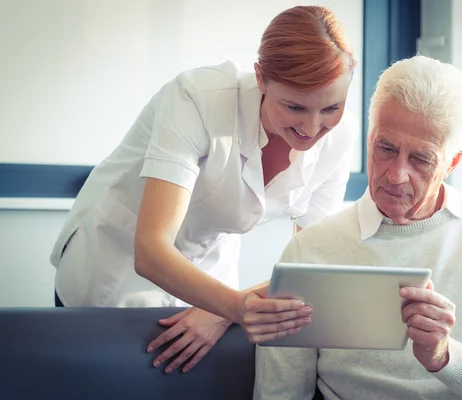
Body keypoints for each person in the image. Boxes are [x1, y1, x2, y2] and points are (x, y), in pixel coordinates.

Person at [49, 6, 358, 374]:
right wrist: (232, 306)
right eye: (294, 106)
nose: (312, 127)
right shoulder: (197, 98)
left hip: (212, 269)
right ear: (261, 78)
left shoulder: (341, 135)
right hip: (114, 260)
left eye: (331, 107)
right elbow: (150, 249)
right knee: (103, 379)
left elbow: (314, 265)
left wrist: (223, 310)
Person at [253, 56, 462, 400]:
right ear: (368, 138)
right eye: (385, 148)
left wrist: (444, 357)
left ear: (454, 162)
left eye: (421, 159)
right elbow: (279, 393)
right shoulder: (311, 249)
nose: (396, 175)